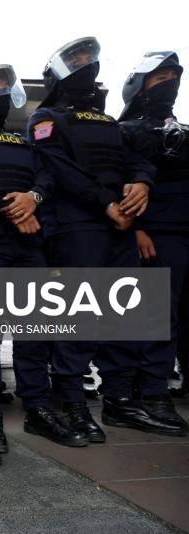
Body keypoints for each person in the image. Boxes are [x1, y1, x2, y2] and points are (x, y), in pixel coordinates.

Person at [0, 64, 87, 448]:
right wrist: (13, 209)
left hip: (28, 241)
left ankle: (39, 408)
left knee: (36, 329)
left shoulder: (24, 141)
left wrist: (34, 199)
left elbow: (46, 178)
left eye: (3, 85)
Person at [27, 36, 155, 443]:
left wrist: (141, 182)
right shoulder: (45, 117)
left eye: (88, 58)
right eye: (76, 60)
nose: (85, 64)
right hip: (76, 225)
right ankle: (72, 402)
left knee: (124, 314)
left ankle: (118, 399)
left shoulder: (110, 121)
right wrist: (105, 203)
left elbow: (137, 157)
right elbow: (58, 167)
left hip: (119, 225)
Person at [117, 50, 189, 435]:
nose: (168, 84)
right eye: (159, 78)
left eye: (173, 77)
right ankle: (151, 392)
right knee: (158, 318)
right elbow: (119, 182)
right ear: (139, 85)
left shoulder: (181, 128)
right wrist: (136, 229)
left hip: (184, 231)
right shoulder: (126, 131)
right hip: (156, 235)